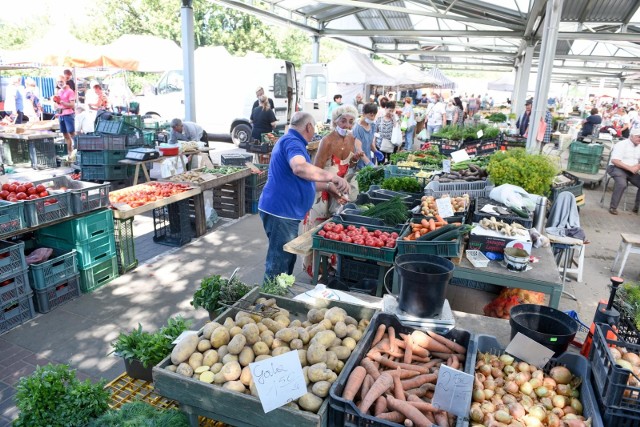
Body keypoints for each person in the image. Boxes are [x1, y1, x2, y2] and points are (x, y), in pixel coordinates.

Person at [258, 111, 350, 281]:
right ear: (308, 126)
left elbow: (302, 181)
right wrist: (332, 176)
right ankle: (268, 301)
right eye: (313, 127)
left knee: (286, 260)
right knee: (278, 264)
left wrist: (329, 187)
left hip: (283, 212)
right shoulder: (293, 142)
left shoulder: (290, 141)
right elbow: (299, 168)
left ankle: (278, 298)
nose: (314, 131)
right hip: (281, 212)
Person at [302, 105, 362, 276]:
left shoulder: (351, 140)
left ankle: (331, 270)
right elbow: (315, 171)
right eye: (343, 121)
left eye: (351, 122)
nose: (346, 125)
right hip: (323, 191)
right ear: (335, 120)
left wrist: (354, 161)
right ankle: (316, 272)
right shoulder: (326, 141)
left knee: (336, 231)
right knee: (318, 231)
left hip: (340, 192)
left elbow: (346, 167)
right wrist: (331, 187)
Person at [606, 128, 640, 215]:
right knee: (622, 184)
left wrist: (637, 166)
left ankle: (637, 208)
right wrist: (630, 168)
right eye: (638, 137)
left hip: (632, 170)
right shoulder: (621, 144)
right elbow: (615, 161)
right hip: (617, 168)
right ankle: (613, 207)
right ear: (631, 136)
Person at [352, 102, 380, 168]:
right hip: (359, 160)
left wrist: (375, 151)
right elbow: (359, 150)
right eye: (371, 115)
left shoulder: (372, 125)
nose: (373, 118)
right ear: (364, 113)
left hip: (367, 157)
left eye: (374, 115)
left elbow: (369, 141)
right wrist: (368, 163)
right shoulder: (358, 128)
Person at [54, 75, 76, 154]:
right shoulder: (59, 91)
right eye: (58, 82)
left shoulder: (70, 91)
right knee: (65, 135)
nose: (60, 83)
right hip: (61, 115)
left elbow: (72, 105)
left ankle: (77, 151)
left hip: (68, 114)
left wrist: (62, 103)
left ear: (65, 81)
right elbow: (57, 104)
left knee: (72, 133)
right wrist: (56, 105)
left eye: (61, 81)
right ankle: (70, 152)